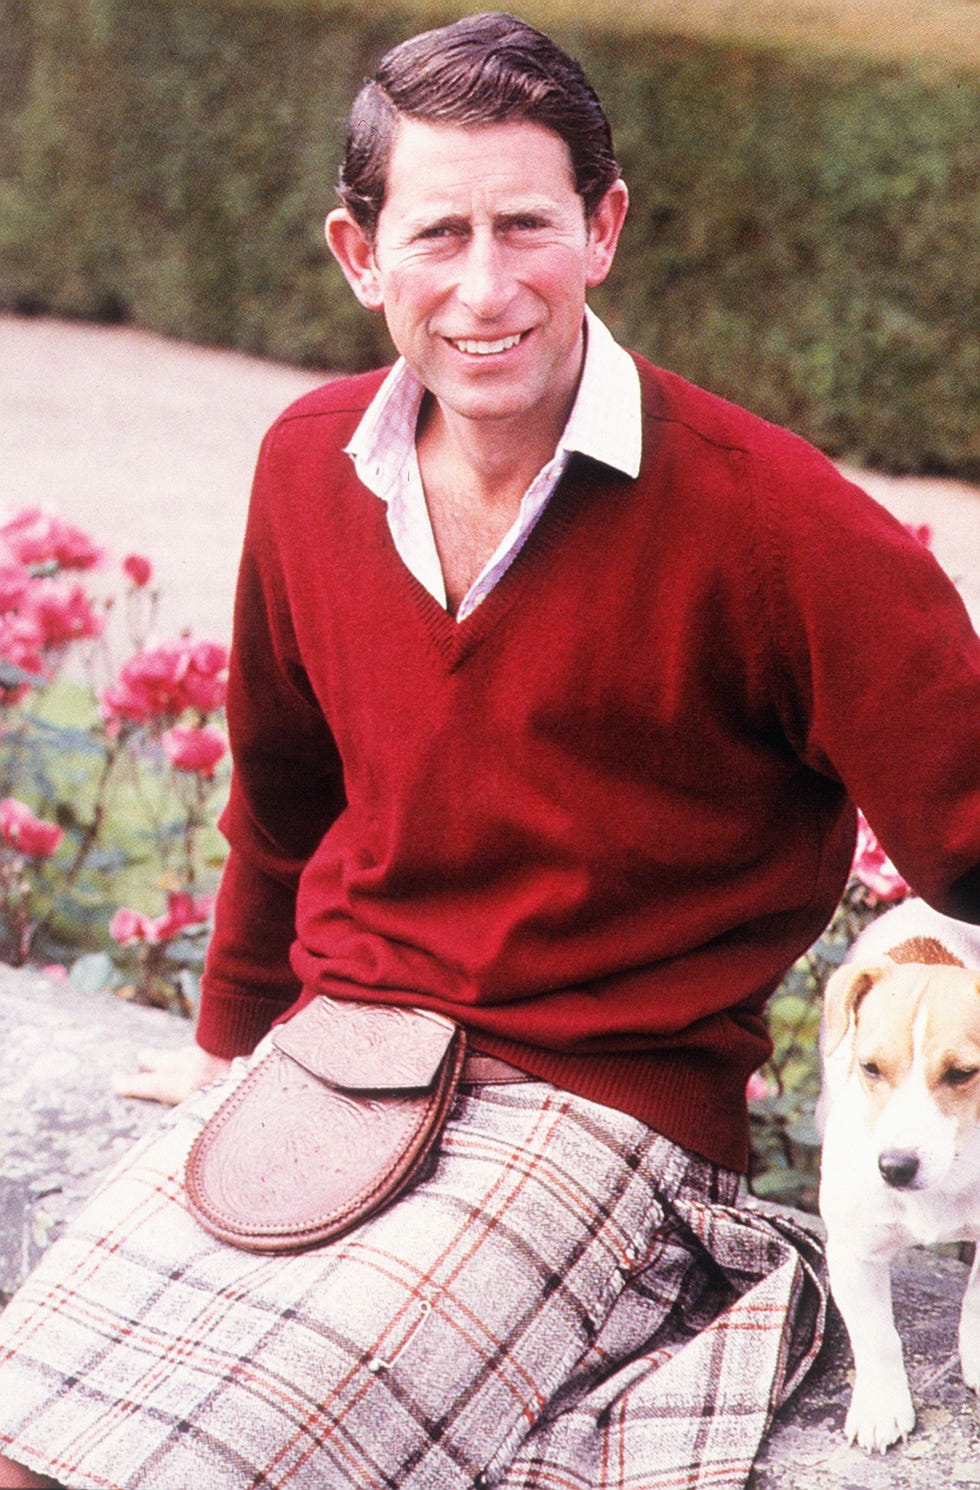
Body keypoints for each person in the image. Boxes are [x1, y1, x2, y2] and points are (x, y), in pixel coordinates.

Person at [1, 12, 978, 1488]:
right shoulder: (305, 468)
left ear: (603, 228)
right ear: (359, 254)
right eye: (436, 232)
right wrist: (221, 1047)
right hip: (335, 1057)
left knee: (233, 1465)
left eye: (525, 225)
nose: (483, 285)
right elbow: (279, 795)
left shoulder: (772, 520)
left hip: (605, 1115)